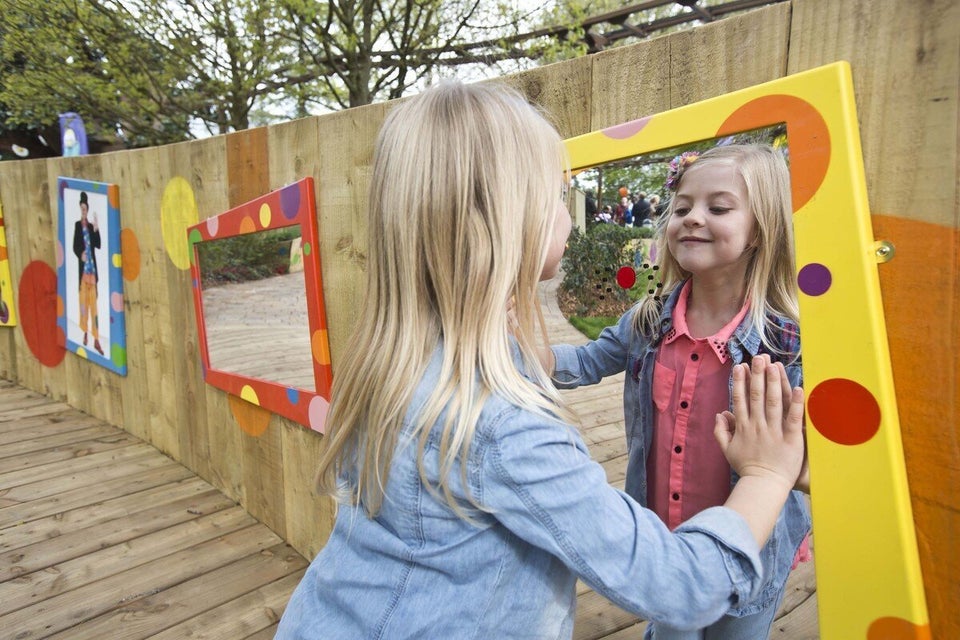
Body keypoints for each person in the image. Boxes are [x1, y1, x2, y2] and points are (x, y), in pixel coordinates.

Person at [274, 85, 805, 640]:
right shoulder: (508, 424)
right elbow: (682, 588)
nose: (566, 211)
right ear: (509, 223)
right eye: (557, 193)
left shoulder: (392, 361)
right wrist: (768, 474)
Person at [542, 144, 811, 640]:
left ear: (762, 230)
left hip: (753, 541)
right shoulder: (647, 321)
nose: (692, 218)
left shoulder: (788, 344)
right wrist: (525, 352)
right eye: (682, 207)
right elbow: (585, 362)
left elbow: (812, 448)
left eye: (719, 207)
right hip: (666, 539)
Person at [72, 191, 103, 355]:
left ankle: (96, 339)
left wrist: (97, 228)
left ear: (88, 209)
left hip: (93, 274)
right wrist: (80, 254)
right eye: (82, 208)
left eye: (86, 208)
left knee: (94, 308)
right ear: (80, 208)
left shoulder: (91, 227)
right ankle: (85, 333)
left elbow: (98, 245)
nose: (84, 210)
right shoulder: (77, 226)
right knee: (83, 306)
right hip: (82, 275)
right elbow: (74, 246)